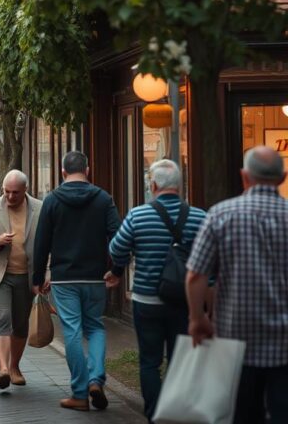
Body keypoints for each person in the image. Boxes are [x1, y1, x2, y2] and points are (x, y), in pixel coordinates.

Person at [186, 146, 288, 424]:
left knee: (241, 414)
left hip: (234, 341)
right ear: (282, 177)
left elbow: (196, 275)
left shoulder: (221, 214)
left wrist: (197, 319)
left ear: (244, 177)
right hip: (285, 343)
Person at [107, 159, 206, 423]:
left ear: (153, 185)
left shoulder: (138, 215)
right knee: (180, 359)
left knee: (149, 361)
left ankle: (154, 414)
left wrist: (120, 269)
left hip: (146, 300)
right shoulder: (199, 217)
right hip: (186, 302)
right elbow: (212, 261)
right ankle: (177, 411)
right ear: (180, 187)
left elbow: (117, 250)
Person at [33, 151, 120, 412]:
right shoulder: (103, 198)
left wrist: (38, 277)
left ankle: (80, 393)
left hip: (64, 278)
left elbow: (41, 242)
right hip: (95, 277)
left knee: (71, 330)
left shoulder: (52, 200)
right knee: (95, 327)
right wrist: (116, 269)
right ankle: (96, 379)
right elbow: (118, 235)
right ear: (88, 169)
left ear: (62, 172)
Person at [0, 170, 42, 390]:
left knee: (21, 323)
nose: (10, 197)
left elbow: (46, 245)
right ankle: (2, 369)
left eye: (16, 193)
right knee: (2, 316)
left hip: (26, 275)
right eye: (7, 192)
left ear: (26, 190)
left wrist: (46, 273)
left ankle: (14, 367)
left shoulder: (39, 209)